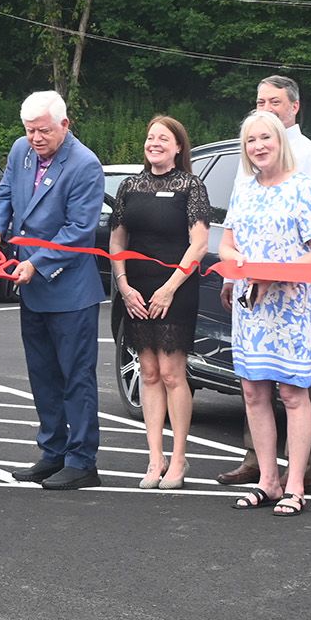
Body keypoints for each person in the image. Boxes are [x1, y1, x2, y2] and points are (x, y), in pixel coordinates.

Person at [0, 90, 107, 490]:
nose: (35, 138)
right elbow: (3, 195)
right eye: (30, 130)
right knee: (42, 375)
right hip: (30, 287)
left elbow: (79, 230)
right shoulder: (21, 150)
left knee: (76, 376)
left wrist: (37, 264)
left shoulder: (85, 165)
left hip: (68, 291)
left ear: (65, 125)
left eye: (44, 131)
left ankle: (82, 460)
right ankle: (52, 452)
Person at [216, 75, 311, 490]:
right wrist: (239, 268)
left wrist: (275, 271)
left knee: (293, 395)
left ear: (280, 140)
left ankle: (296, 483)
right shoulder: (245, 189)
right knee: (253, 394)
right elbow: (227, 245)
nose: (258, 145)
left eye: (265, 137)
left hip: (292, 306)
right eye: (251, 140)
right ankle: (267, 481)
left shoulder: (303, 185)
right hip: (252, 308)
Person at [108, 116, 210, 490]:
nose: (155, 143)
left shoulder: (190, 186)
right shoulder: (130, 187)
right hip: (135, 287)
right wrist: (123, 285)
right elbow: (117, 241)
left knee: (171, 373)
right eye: (150, 137)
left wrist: (170, 286)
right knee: (148, 371)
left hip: (177, 288)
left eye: (163, 138)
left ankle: (179, 459)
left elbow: (198, 243)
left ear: (178, 146)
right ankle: (155, 459)